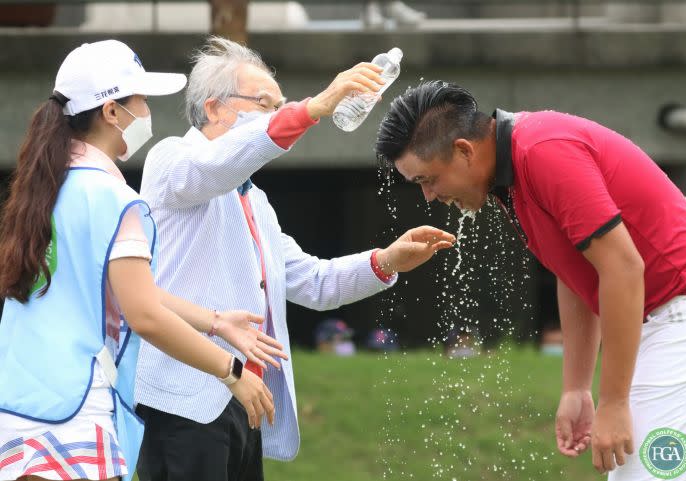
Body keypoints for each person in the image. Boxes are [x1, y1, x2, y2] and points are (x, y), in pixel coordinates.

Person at [374, 80, 686, 481]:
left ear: (464, 152)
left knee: (637, 474)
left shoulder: (543, 152)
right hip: (680, 318)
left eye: (427, 179)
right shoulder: (511, 173)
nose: (429, 197)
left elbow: (623, 268)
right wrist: (577, 388)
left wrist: (613, 402)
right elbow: (576, 273)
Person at [134, 37, 455, 481]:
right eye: (264, 103)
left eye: (280, 105)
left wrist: (387, 261)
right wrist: (313, 108)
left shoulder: (256, 201)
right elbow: (216, 167)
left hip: (246, 398)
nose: (275, 114)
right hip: (184, 399)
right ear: (213, 109)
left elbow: (313, 282)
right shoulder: (172, 158)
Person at [0, 40, 286, 481]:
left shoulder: (47, 190)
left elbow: (136, 292)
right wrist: (231, 371)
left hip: (19, 408)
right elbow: (146, 314)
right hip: (77, 413)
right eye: (141, 100)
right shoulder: (115, 199)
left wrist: (214, 321)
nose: (148, 112)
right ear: (112, 112)